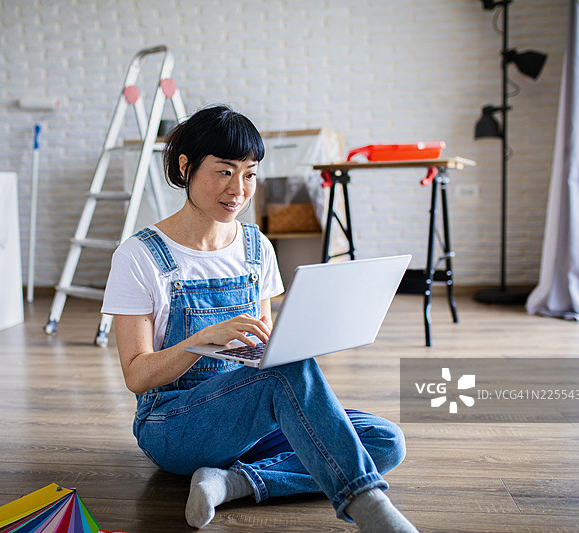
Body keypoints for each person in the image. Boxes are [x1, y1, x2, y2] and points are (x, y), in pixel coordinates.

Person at [101, 105, 418, 532]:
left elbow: (267, 349)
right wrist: (205, 340)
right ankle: (369, 508)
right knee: (291, 382)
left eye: (249, 174)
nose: (238, 189)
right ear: (185, 167)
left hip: (251, 423)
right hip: (175, 425)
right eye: (224, 171)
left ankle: (233, 483)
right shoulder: (139, 256)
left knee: (385, 441)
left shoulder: (257, 247)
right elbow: (136, 376)